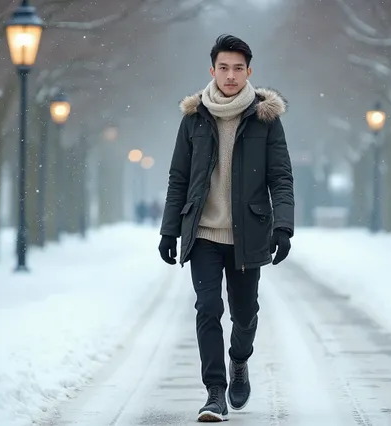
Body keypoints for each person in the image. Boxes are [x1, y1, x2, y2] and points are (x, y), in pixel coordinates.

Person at [158, 34, 294, 422]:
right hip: (202, 233)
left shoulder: (266, 118)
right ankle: (214, 391)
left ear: (249, 71)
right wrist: (170, 230)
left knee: (245, 313)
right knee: (208, 308)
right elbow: (178, 178)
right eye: (223, 68)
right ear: (212, 70)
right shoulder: (194, 116)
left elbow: (281, 178)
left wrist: (282, 226)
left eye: (238, 68)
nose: (230, 76)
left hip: (248, 234)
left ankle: (239, 360)